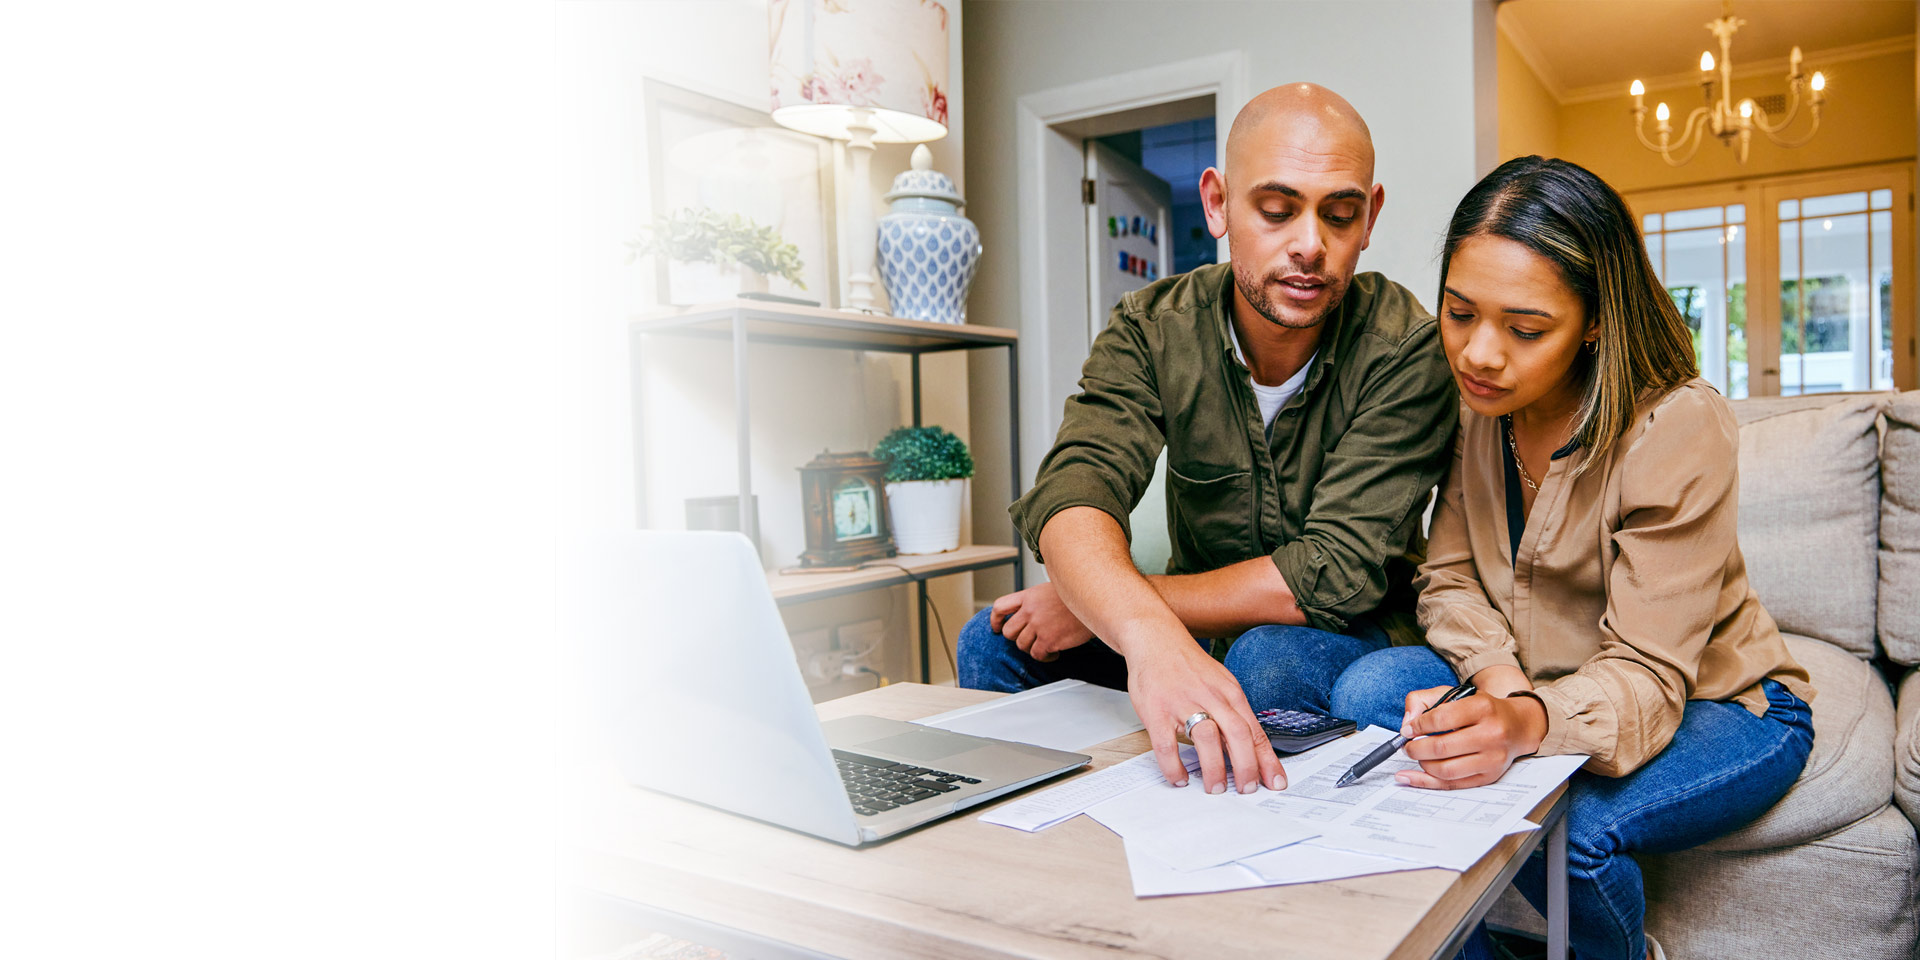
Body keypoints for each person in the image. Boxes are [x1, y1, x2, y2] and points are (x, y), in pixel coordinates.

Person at [1326, 156, 1816, 960]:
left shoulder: (1678, 427)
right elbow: (1446, 576)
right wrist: (1506, 690)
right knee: (1369, 690)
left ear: (1594, 320)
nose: (1479, 355)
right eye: (1459, 313)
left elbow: (1653, 674)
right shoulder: (1484, 406)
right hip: (1547, 681)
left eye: (1525, 330)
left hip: (1724, 704)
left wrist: (1524, 725)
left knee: (1570, 828)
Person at [955, 83, 1457, 796]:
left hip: (1347, 629)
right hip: (1198, 632)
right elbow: (1075, 489)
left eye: (1339, 216)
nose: (1309, 246)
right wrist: (1144, 634)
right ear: (1218, 204)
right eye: (1277, 211)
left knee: (1265, 661)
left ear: (1369, 217)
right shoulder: (1151, 328)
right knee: (995, 639)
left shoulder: (1407, 347)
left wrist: (1126, 609)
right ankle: (1063, 846)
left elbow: (1326, 574)